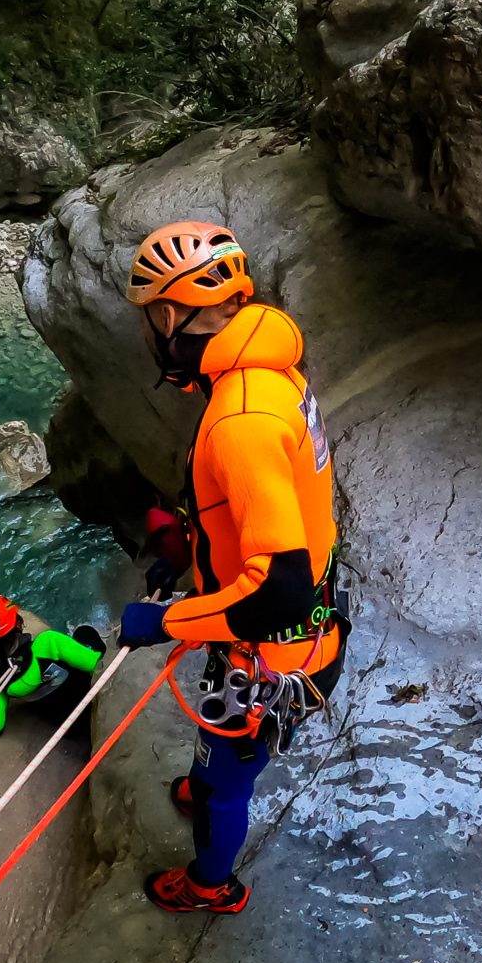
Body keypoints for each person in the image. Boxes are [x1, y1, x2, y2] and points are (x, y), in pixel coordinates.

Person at [117, 220, 348, 916]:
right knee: (218, 763)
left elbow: (276, 589)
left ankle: (211, 886)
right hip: (304, 631)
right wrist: (187, 557)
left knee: (227, 787)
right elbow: (254, 511)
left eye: (146, 321)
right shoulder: (268, 370)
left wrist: (166, 621)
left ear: (167, 313)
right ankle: (208, 777)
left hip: (272, 657)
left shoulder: (239, 418)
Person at [0, 595, 107, 737]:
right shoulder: (47, 644)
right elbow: (95, 664)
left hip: (66, 722)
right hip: (87, 702)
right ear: (17, 623)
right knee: (84, 632)